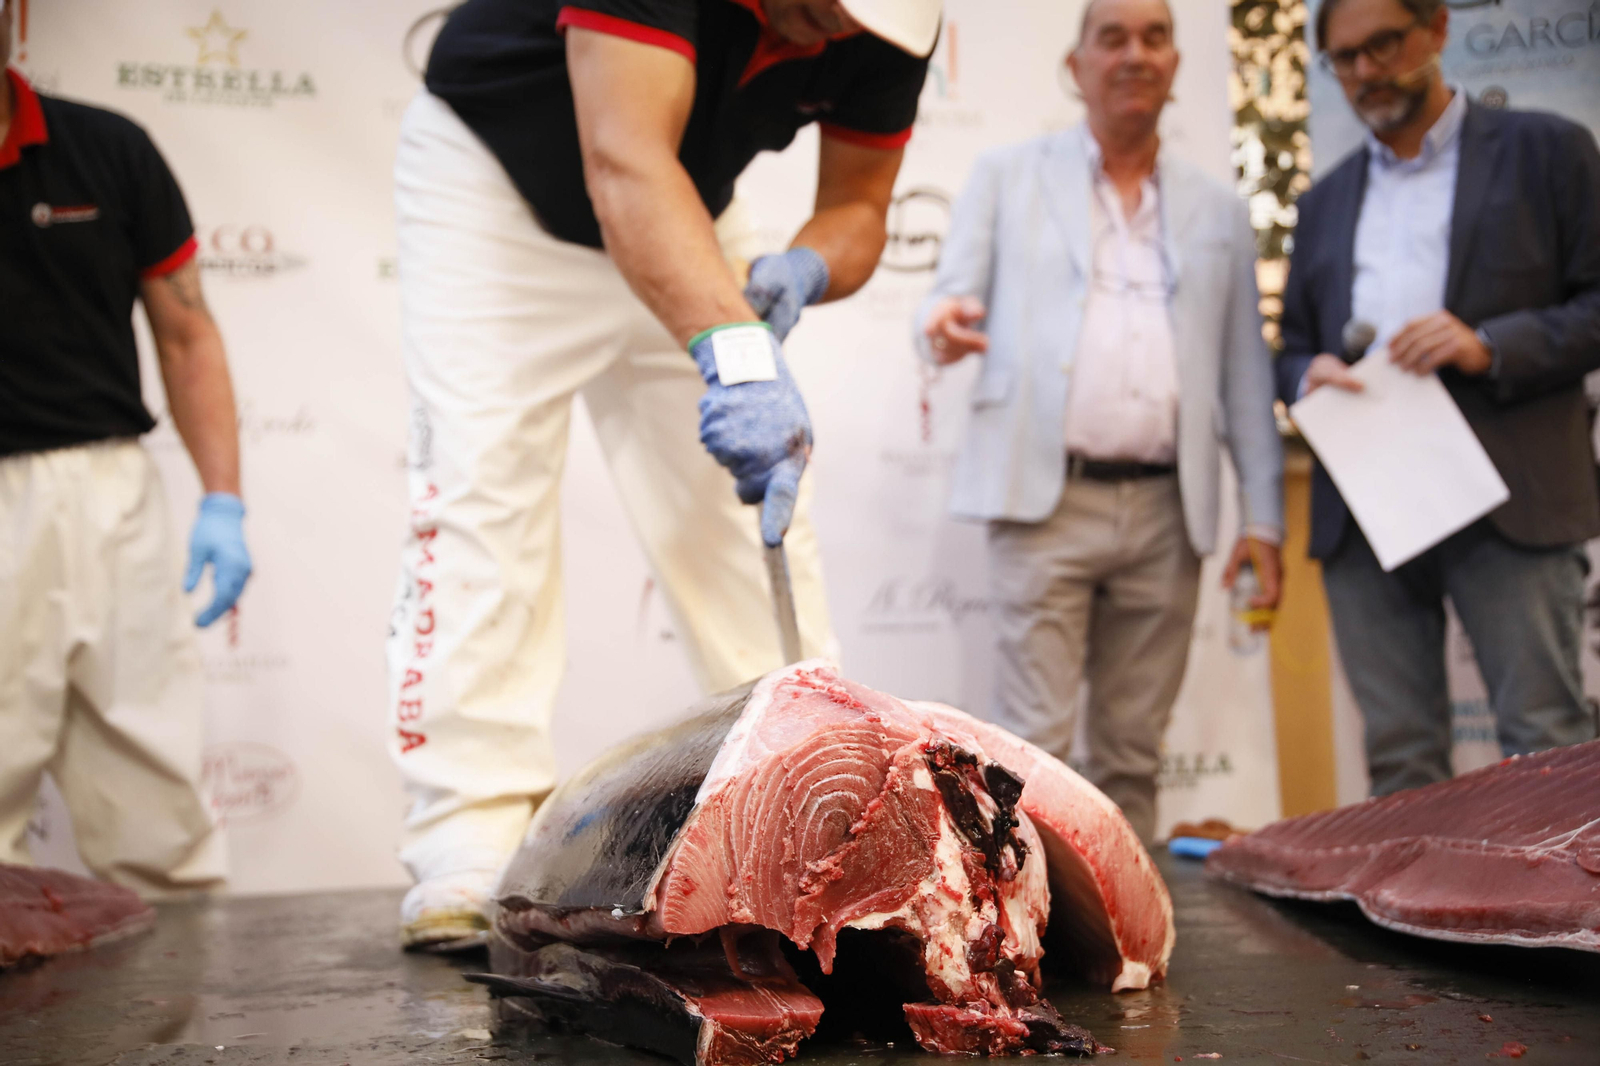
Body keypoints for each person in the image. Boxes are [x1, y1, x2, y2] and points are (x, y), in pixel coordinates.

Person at [390, 0, 939, 948]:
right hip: (503, 189)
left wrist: (810, 264)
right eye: (815, 8)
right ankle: (464, 840)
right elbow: (623, 161)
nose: (824, 37)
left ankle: (818, 811)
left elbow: (859, 203)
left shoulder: (888, 30)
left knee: (749, 510)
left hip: (683, 191)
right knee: (485, 492)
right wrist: (731, 347)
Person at [914, 0, 1283, 845]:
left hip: (1168, 510)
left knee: (1130, 753)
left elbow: (1243, 377)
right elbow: (941, 301)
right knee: (1029, 751)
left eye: (1155, 37)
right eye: (1111, 37)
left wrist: (1262, 517)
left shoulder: (1219, 210)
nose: (1134, 54)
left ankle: (1124, 946)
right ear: (1076, 64)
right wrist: (940, 324)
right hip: (1045, 499)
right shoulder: (1007, 176)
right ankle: (1027, 942)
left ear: (1175, 63)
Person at [1278, 0, 1600, 796]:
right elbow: (1287, 348)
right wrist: (1305, 374)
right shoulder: (1324, 201)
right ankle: (1413, 926)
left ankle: (1565, 926)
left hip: (1510, 493)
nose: (1364, 71)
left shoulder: (1549, 151)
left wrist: (1488, 344)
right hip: (1366, 506)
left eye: (1382, 45)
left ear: (1438, 29)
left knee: (1545, 743)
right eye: (1343, 58)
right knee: (1400, 760)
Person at [0, 0, 252, 894]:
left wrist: (224, 500)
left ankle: (184, 1030)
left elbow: (187, 336)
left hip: (111, 493)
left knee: (155, 805)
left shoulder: (108, 149)